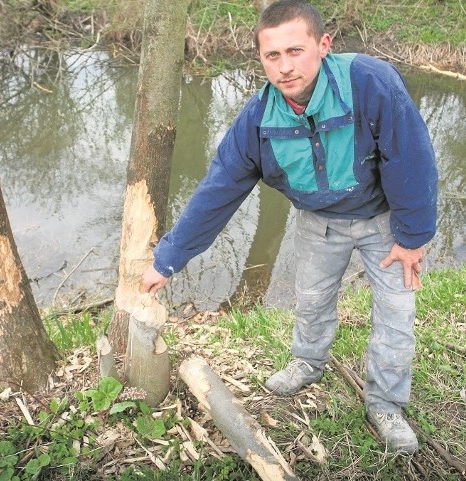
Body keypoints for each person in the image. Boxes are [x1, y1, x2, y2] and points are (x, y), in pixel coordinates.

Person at [141, 0, 437, 455]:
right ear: (260, 58)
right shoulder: (258, 119)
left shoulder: (370, 83)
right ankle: (307, 362)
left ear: (324, 45)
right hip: (318, 222)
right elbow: (219, 190)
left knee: (396, 318)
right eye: (272, 56)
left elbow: (412, 159)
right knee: (312, 300)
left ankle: (386, 404)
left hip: (385, 223)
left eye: (295, 51)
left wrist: (413, 237)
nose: (285, 67)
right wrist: (169, 258)